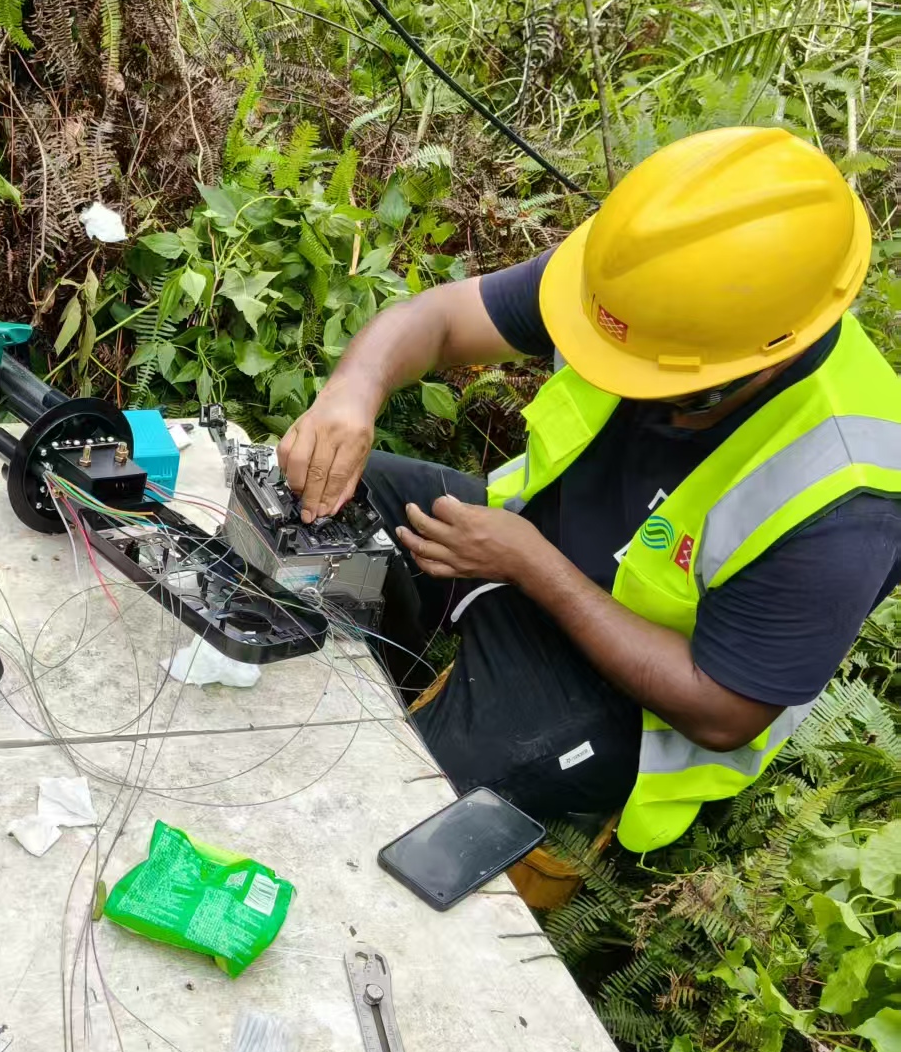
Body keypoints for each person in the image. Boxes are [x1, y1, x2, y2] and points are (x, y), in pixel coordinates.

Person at [279, 127, 900, 852]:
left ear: (758, 366)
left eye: (659, 383)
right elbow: (442, 321)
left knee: (392, 801)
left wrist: (532, 564)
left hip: (634, 697)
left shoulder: (848, 493)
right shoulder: (645, 286)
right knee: (310, 498)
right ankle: (403, 654)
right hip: (515, 548)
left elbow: (723, 709)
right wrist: (353, 391)